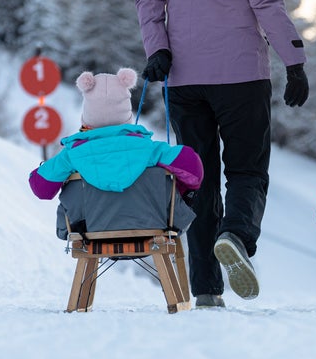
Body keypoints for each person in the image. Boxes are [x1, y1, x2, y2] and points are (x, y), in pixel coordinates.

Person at [135, 0, 309, 309]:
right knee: (247, 169)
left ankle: (208, 290)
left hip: (185, 79)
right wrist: (293, 59)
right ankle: (237, 236)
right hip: (240, 74)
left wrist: (159, 49)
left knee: (198, 179)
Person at [28, 68, 204, 236]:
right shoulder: (150, 149)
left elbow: (41, 189)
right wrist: (181, 191)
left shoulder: (72, 154)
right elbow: (193, 169)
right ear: (126, 111)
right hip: (153, 226)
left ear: (88, 114)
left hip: (87, 230)